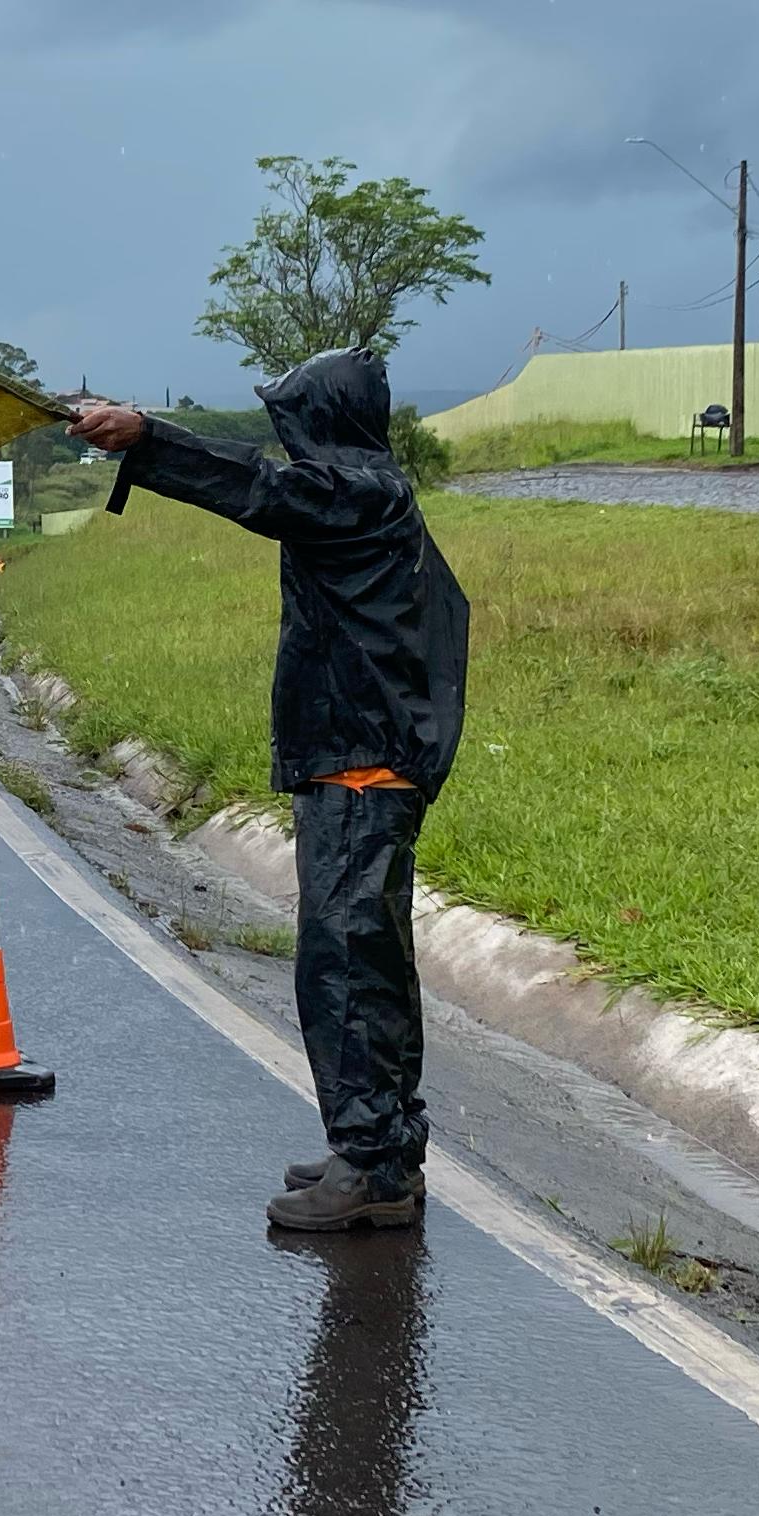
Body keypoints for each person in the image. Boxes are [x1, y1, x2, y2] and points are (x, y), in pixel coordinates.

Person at [68, 353, 469, 1232]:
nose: (286, 437)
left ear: (324, 421)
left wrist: (150, 437)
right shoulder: (367, 492)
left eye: (295, 420)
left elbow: (256, 488)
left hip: (360, 771)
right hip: (363, 762)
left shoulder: (356, 494)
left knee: (347, 967)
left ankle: (369, 1163)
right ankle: (386, 1151)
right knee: (373, 963)